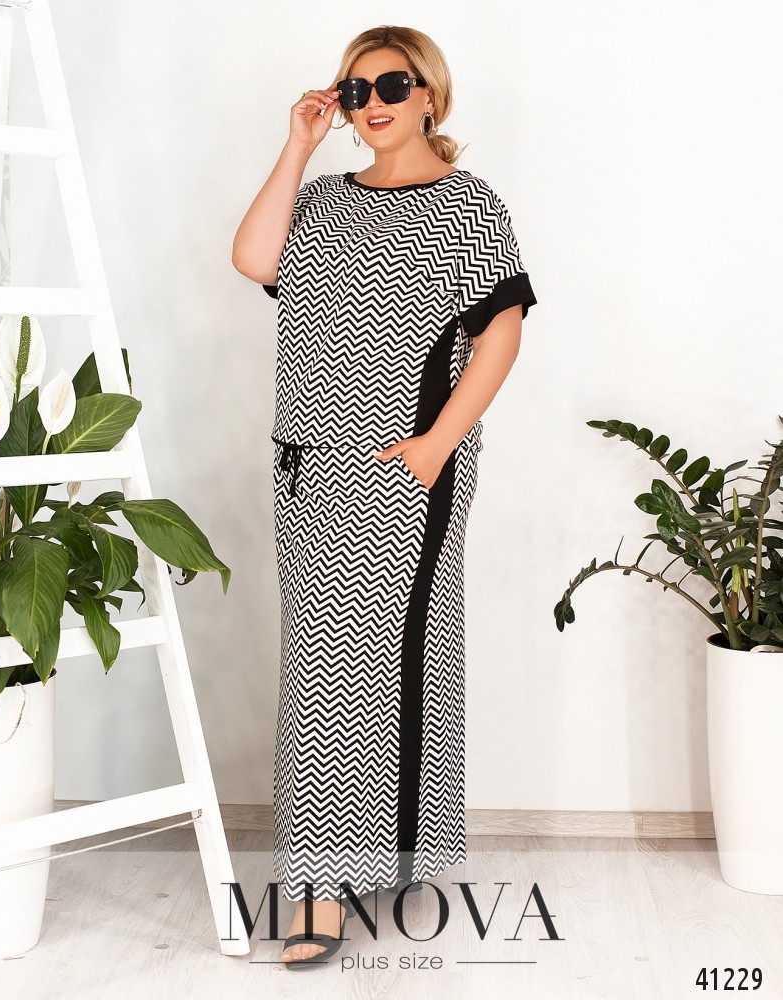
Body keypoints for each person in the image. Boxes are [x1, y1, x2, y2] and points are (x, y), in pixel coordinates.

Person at [232, 24, 537, 970]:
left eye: (392, 86)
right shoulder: (324, 199)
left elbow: (501, 334)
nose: (372, 103)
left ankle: (322, 889)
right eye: (356, 89)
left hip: (406, 471)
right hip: (308, 470)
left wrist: (438, 445)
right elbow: (253, 259)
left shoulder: (468, 208)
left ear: (429, 94)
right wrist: (297, 145)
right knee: (327, 670)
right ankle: (383, 857)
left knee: (364, 670)